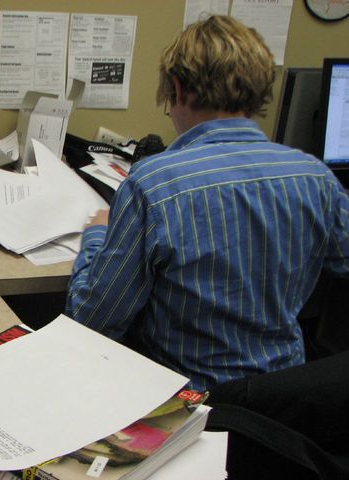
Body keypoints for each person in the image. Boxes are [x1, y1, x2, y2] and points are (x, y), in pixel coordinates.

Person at [65, 15, 349, 392]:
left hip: (188, 402)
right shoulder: (315, 177)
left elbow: (92, 322)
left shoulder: (154, 184)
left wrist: (96, 237)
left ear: (178, 89)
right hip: (283, 399)